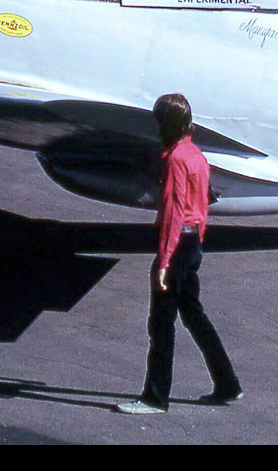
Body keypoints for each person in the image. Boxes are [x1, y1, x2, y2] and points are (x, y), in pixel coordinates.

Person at [115, 93, 242, 415]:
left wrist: (165, 260)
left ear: (164, 123)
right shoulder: (197, 155)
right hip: (193, 244)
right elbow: (202, 205)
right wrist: (194, 245)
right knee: (195, 317)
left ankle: (155, 398)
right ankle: (227, 385)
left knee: (161, 324)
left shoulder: (174, 159)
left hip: (177, 245)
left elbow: (173, 212)